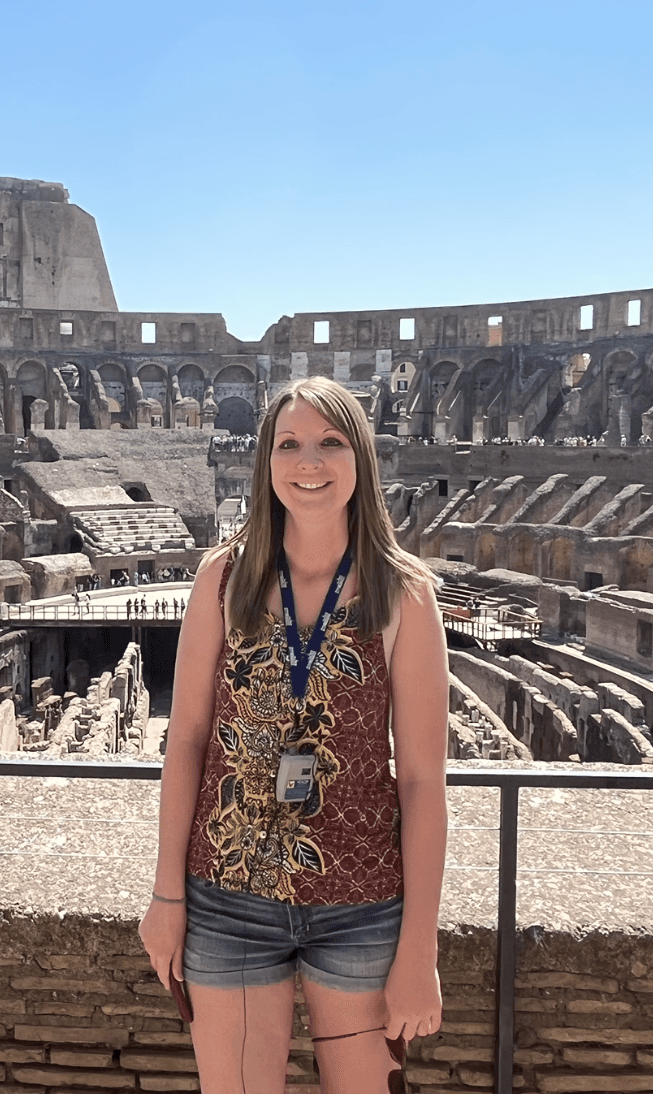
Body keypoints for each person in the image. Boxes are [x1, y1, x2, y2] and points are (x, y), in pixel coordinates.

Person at [139, 377, 447, 1094]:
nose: (309, 463)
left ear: (360, 459)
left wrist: (418, 948)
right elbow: (185, 739)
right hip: (225, 897)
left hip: (363, 906)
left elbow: (424, 779)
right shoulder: (222, 577)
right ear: (266, 462)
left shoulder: (405, 593)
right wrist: (166, 898)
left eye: (330, 443)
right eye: (290, 445)